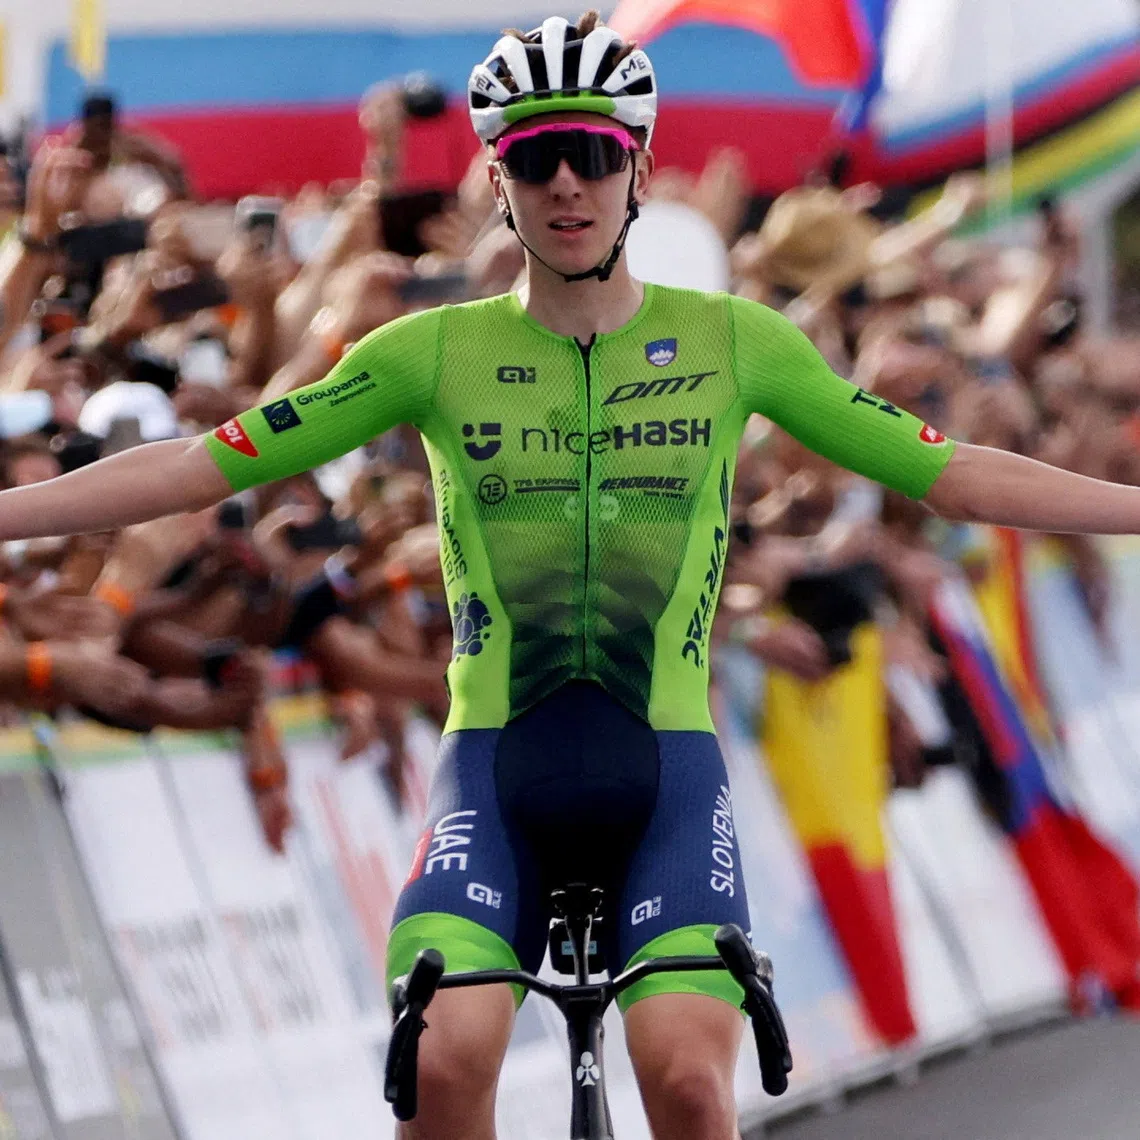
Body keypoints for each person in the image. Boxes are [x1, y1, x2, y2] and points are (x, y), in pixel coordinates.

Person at [2, 10, 1140, 1138]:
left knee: (688, 1085)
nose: (567, 185)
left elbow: (953, 477)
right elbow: (201, 467)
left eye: (592, 153)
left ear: (637, 165)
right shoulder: (429, 353)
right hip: (497, 767)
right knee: (444, 1065)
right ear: (498, 180)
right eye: (536, 158)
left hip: (667, 771)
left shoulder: (737, 342)